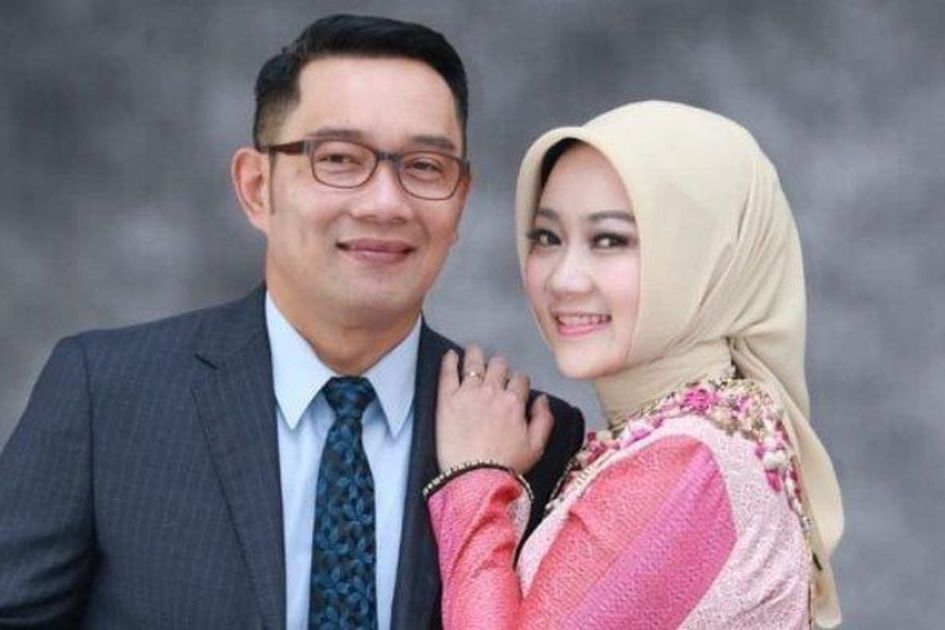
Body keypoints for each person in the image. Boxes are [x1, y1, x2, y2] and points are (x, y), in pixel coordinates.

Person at [0, 14, 584, 630]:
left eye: (424, 166)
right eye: (339, 159)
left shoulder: (533, 437)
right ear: (257, 188)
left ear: (460, 198)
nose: (385, 203)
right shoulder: (109, 395)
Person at [426, 101, 844, 628]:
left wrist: (477, 478)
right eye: (547, 238)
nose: (563, 279)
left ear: (708, 256)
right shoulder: (713, 440)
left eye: (610, 240)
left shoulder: (689, 465)